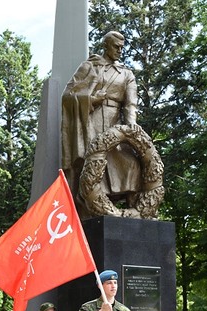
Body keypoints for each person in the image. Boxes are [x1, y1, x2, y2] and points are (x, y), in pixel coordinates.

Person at [62, 31, 141, 214]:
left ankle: (135, 210)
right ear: (106, 46)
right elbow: (68, 96)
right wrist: (90, 99)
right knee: (93, 166)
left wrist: (132, 129)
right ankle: (92, 208)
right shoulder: (90, 66)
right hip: (92, 121)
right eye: (116, 46)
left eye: (122, 47)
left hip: (116, 124)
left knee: (131, 164)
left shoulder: (126, 74)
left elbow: (130, 104)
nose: (120, 50)